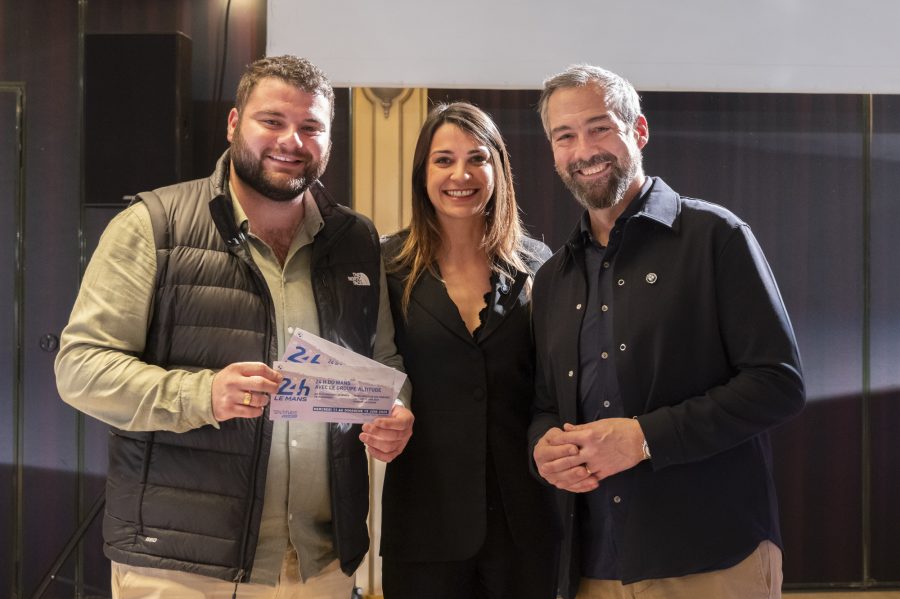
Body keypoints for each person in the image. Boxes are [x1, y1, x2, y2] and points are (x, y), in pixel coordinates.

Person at [55, 55, 413, 598]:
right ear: (233, 123)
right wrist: (203, 394)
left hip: (319, 565)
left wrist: (396, 411)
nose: (291, 141)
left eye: (311, 126)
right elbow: (80, 369)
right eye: (272, 120)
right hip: (182, 569)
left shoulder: (355, 239)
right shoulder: (154, 226)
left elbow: (383, 361)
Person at [528, 64, 806, 599]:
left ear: (639, 130)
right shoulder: (552, 277)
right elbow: (545, 403)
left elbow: (778, 385)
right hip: (593, 565)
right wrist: (542, 448)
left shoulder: (716, 237)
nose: (584, 150)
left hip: (711, 558)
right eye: (565, 136)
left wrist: (643, 439)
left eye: (600, 128)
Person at [379, 102, 559, 599]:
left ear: (498, 169)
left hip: (525, 521)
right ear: (423, 172)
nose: (461, 175)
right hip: (424, 520)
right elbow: (376, 368)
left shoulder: (539, 265)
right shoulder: (385, 265)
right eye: (444, 160)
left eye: (477, 158)